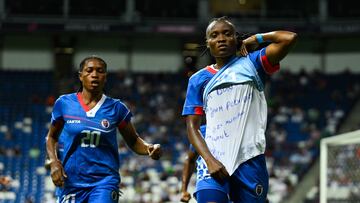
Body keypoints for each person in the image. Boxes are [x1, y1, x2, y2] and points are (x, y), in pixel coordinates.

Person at [182, 16, 297, 202]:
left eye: (227, 34)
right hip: (214, 160)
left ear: (236, 38)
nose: (221, 39)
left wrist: (256, 39)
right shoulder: (198, 79)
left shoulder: (253, 63)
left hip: (250, 159)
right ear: (208, 42)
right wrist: (210, 161)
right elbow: (192, 128)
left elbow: (289, 38)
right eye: (214, 35)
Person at [46, 55, 162, 203]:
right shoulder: (64, 103)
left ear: (105, 77)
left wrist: (149, 148)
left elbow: (133, 141)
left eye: (99, 71)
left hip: (104, 182)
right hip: (71, 182)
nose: (94, 74)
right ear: (81, 76)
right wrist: (54, 162)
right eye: (89, 71)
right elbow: (51, 137)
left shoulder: (117, 108)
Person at [180, 125, 231, 203]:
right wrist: (184, 190)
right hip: (211, 179)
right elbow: (190, 159)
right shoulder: (204, 130)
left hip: (241, 177)